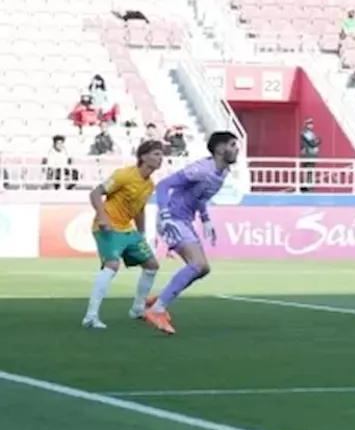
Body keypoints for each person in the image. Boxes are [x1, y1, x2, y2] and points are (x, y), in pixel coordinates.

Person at [142, 131, 240, 336]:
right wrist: (166, 215)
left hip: (184, 220)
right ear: (220, 149)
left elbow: (200, 197)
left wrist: (205, 219)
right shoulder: (202, 169)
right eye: (232, 145)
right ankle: (157, 310)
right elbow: (163, 185)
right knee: (198, 264)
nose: (236, 149)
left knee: (203, 268)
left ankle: (158, 300)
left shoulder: (222, 172)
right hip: (173, 219)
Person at [81, 140, 166, 330]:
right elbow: (96, 193)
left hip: (128, 229)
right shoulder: (124, 175)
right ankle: (90, 316)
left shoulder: (149, 184)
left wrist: (142, 233)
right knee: (112, 265)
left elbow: (139, 209)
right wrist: (102, 217)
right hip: (108, 227)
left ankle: (137, 308)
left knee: (152, 265)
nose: (160, 158)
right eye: (156, 154)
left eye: (161, 155)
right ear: (143, 157)